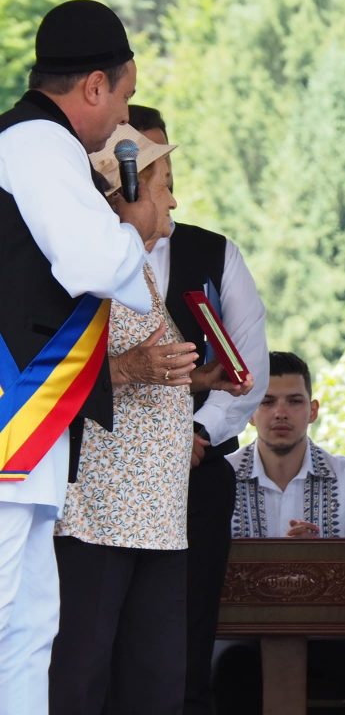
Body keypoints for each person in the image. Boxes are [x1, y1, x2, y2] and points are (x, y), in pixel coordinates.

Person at [0, 0, 158, 714]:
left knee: (29, 625)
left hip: (28, 435)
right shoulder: (38, 142)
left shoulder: (36, 143)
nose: (123, 117)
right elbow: (94, 262)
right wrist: (133, 228)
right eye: (124, 96)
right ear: (95, 85)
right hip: (13, 413)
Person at [49, 124, 200, 715]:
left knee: (154, 681)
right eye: (163, 186)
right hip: (100, 515)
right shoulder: (86, 267)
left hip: (156, 516)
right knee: (81, 676)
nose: (173, 201)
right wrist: (132, 366)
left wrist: (197, 376)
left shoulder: (137, 267)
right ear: (125, 196)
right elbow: (50, 375)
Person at [127, 104, 270, 715]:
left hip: (196, 471)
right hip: (104, 471)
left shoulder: (216, 253)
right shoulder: (82, 254)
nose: (165, 185)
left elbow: (249, 371)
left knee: (187, 626)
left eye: (165, 168)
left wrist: (197, 433)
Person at [213, 351, 345, 714]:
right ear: (250, 411)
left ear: (312, 411)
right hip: (240, 635)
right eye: (267, 401)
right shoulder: (222, 476)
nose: (280, 413)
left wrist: (322, 558)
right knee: (228, 672)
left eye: (294, 401)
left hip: (333, 635)